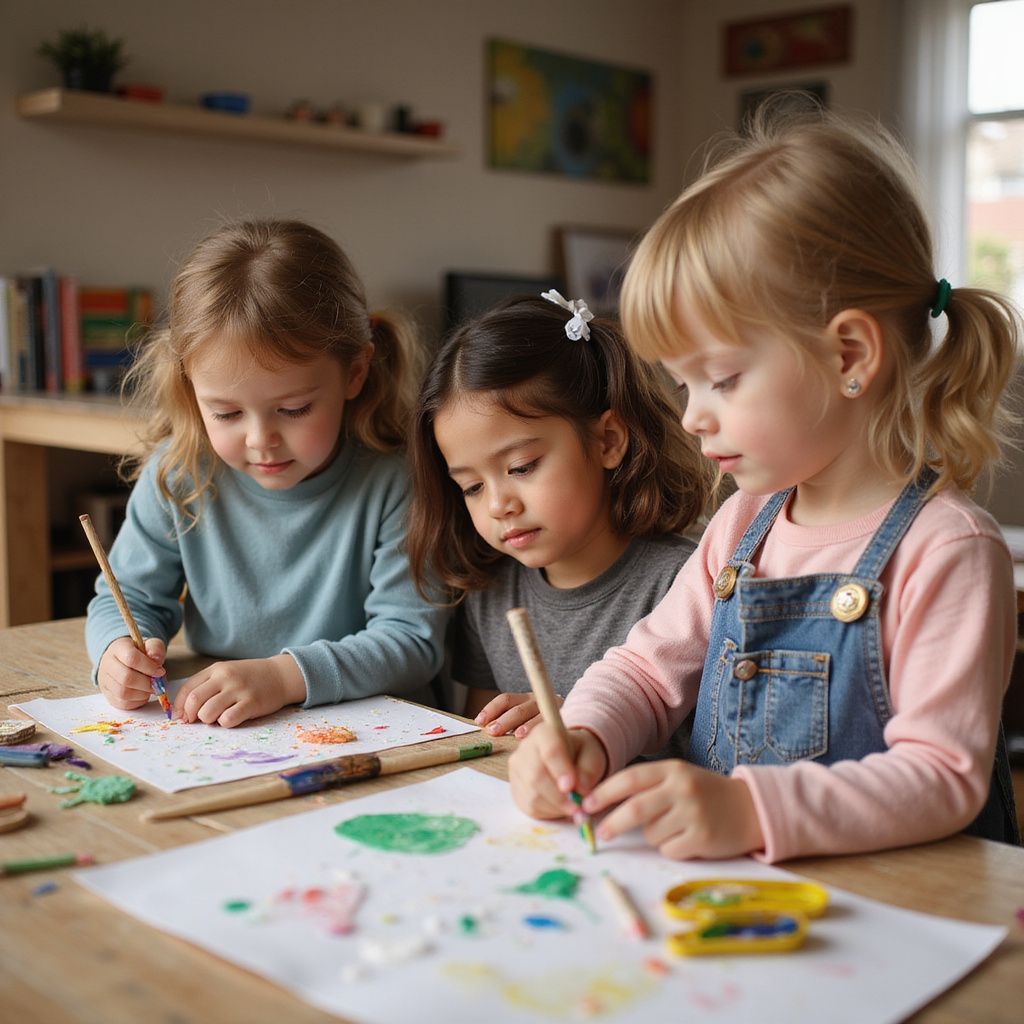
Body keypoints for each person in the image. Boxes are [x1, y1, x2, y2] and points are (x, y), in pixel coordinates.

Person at [509, 107, 1022, 861]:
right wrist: (583, 732)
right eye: (684, 386)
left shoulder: (949, 549)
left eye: (720, 380)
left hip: (901, 924)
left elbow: (942, 776)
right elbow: (648, 673)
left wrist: (750, 810)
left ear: (849, 354)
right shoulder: (745, 523)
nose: (691, 419)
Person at [86, 219, 447, 727]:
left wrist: (282, 677)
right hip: (230, 728)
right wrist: (116, 653)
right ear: (191, 390)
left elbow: (411, 642)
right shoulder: (179, 473)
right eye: (228, 414)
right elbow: (129, 598)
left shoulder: (395, 483)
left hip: (377, 729)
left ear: (356, 373)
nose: (260, 440)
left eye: (295, 409)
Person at [406, 293, 712, 743]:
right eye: (472, 487)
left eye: (522, 467)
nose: (498, 505)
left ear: (608, 440)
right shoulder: (491, 593)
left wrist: (586, 725)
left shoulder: (683, 586)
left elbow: (711, 759)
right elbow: (487, 742)